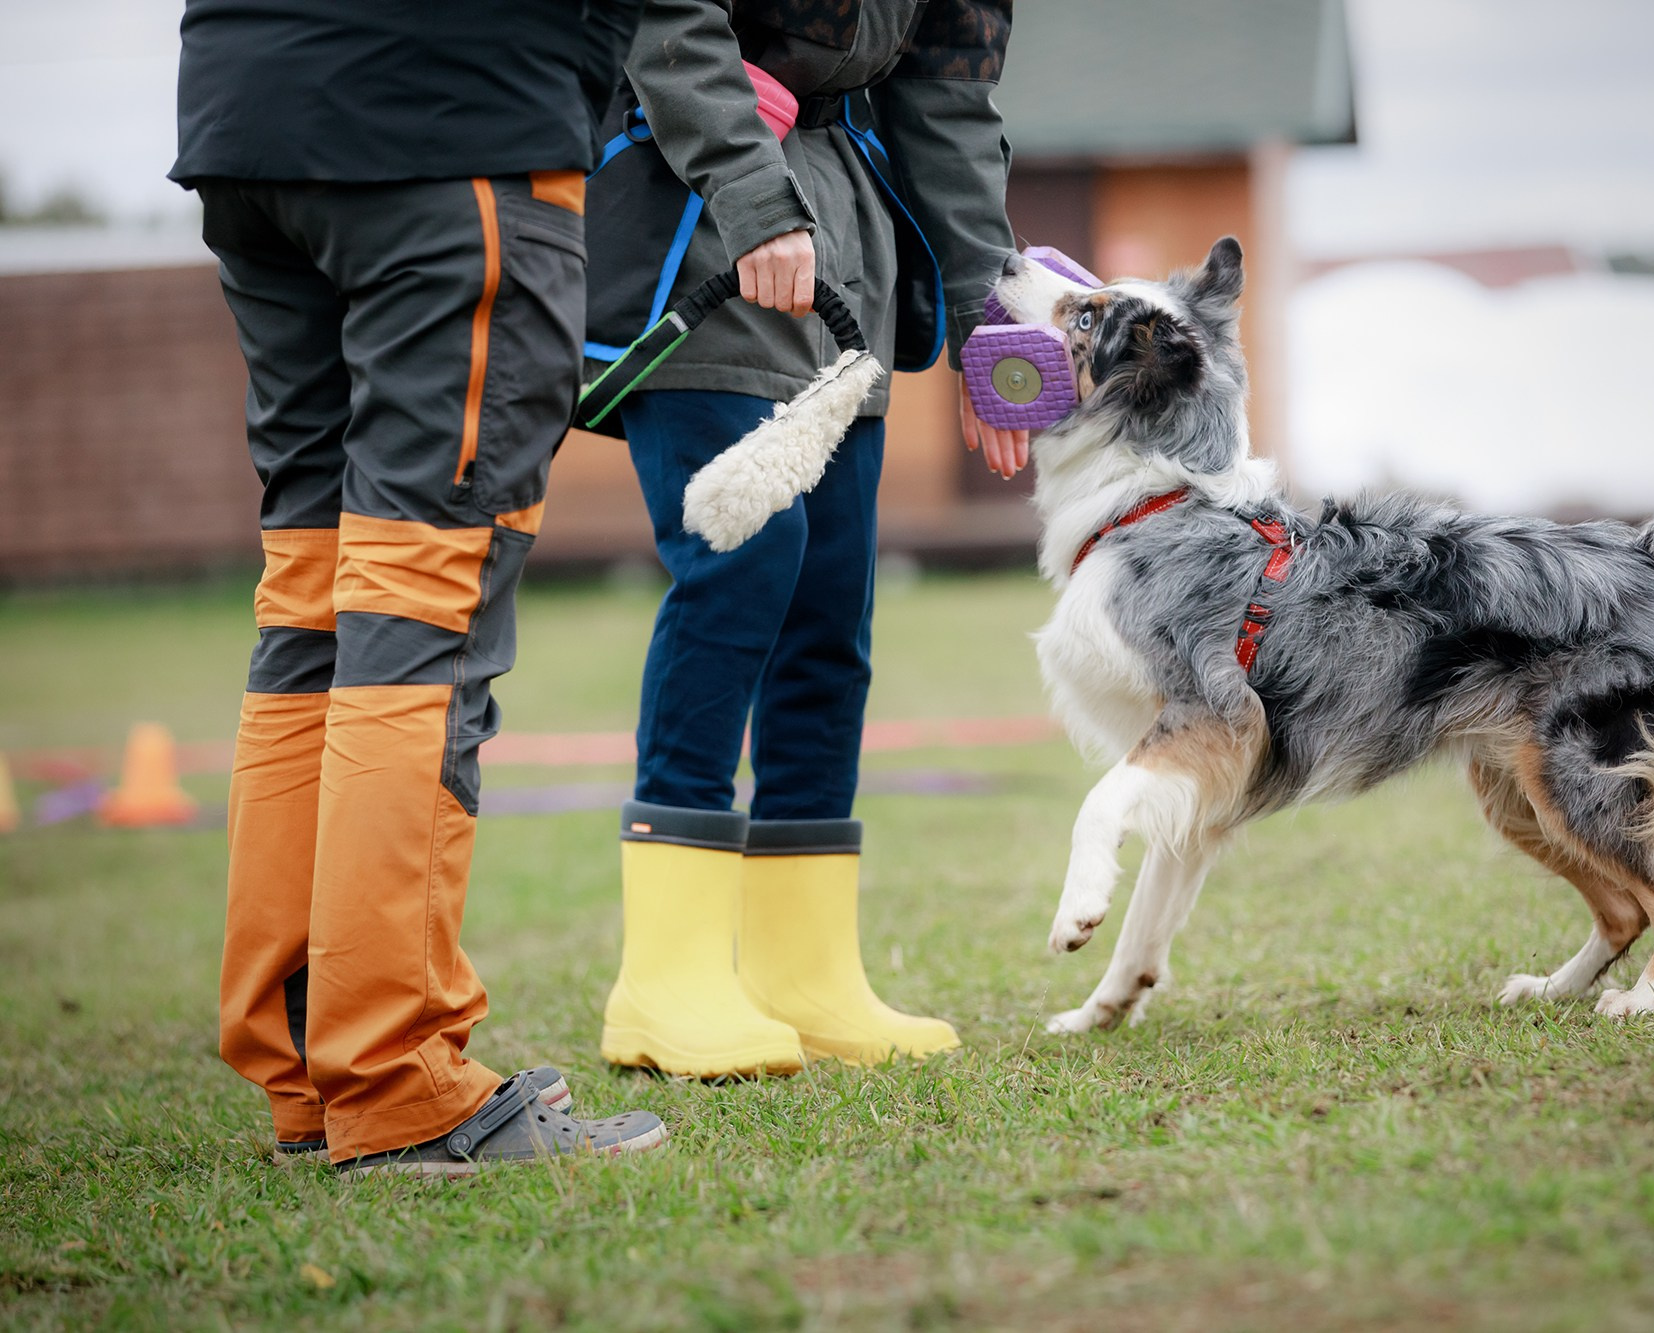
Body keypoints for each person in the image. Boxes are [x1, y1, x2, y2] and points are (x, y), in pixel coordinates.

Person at [174, 0, 666, 1174]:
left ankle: (311, 1069)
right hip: (451, 119)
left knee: (311, 593)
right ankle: (399, 1081)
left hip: (250, 109)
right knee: (419, 600)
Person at [588, 0, 1026, 1077]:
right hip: (697, 207)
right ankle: (665, 977)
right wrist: (748, 190)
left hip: (842, 234)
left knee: (830, 601)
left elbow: (946, 97)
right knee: (744, 566)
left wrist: (983, 308)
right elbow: (668, 20)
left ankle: (803, 969)